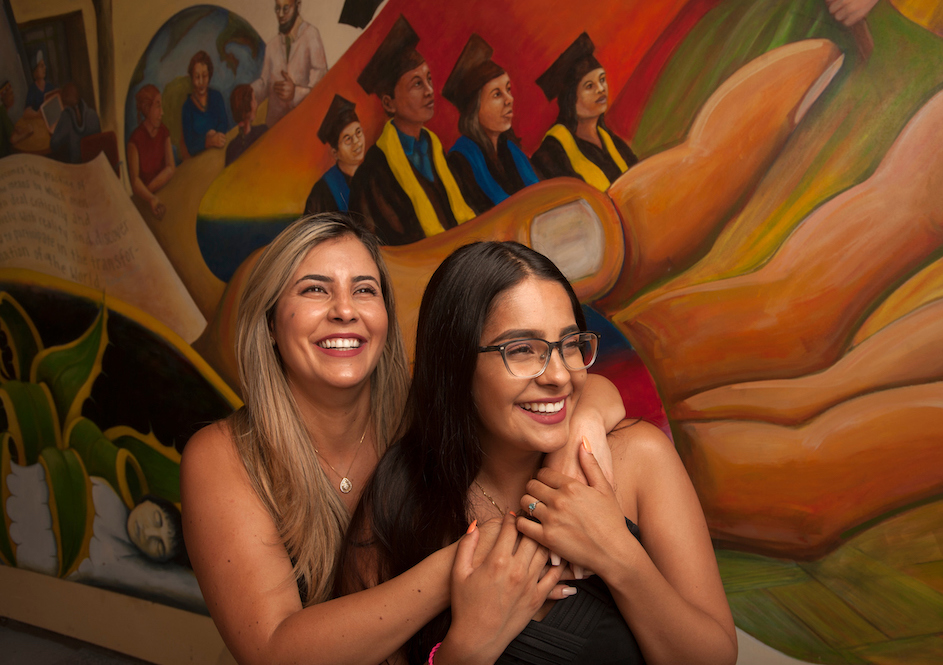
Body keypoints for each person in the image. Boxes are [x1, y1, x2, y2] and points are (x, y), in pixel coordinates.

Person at [181, 214, 625, 664]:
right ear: (271, 322)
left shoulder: (420, 413)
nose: (345, 310)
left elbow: (581, 388)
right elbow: (272, 653)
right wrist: (459, 567)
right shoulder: (222, 456)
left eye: (364, 290)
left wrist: (576, 444)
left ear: (386, 318)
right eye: (315, 289)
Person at [336, 241, 737, 664]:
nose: (561, 375)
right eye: (522, 350)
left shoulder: (639, 459)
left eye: (569, 344)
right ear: (455, 364)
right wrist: (468, 647)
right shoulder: (400, 499)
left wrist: (617, 555)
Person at [350, 15, 476, 246]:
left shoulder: (437, 153)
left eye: (429, 79)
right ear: (389, 103)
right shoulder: (373, 173)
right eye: (417, 84)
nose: (430, 91)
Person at [443, 34, 539, 214]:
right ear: (474, 108)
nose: (509, 99)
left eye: (508, 90)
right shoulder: (461, 160)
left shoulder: (510, 150)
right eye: (497, 94)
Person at [531, 33, 638, 192]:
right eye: (589, 86)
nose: (601, 89)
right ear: (570, 98)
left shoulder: (612, 141)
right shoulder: (552, 153)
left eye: (602, 80)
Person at [251, 0, 328, 128]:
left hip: (302, 126)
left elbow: (321, 89)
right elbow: (265, 84)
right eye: (277, 8)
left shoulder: (311, 35)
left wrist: (295, 94)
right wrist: (250, 93)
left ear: (298, 6)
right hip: (274, 130)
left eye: (286, 8)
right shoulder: (272, 46)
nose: (280, 14)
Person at [304, 94, 364, 214]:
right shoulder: (322, 191)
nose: (357, 141)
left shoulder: (374, 175)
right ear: (335, 152)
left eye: (358, 132)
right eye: (347, 139)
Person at [128, 84, 175, 219]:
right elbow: (135, 181)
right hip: (145, 203)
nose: (162, 112)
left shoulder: (164, 132)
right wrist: (150, 198)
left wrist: (149, 190)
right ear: (146, 109)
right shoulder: (134, 140)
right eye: (158, 106)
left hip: (162, 194)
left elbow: (171, 167)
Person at [181, 51, 229, 157]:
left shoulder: (217, 97)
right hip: (200, 161)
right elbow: (190, 145)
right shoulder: (187, 108)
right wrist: (207, 141)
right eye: (197, 77)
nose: (201, 82)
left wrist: (216, 135)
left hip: (220, 151)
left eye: (204, 76)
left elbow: (224, 123)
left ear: (210, 75)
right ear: (192, 78)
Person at [50, 81, 101, 163]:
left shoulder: (66, 117)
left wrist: (58, 126)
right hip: (94, 162)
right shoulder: (93, 114)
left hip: (77, 166)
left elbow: (54, 144)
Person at [225, 84, 267, 166]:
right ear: (246, 106)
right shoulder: (262, 132)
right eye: (254, 100)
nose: (256, 104)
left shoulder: (231, 148)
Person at [1, 81, 33, 157]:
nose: (13, 96)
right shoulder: (1, 111)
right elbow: (12, 140)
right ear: (4, 98)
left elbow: (8, 130)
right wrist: (27, 132)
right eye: (10, 94)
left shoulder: (3, 110)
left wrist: (17, 129)